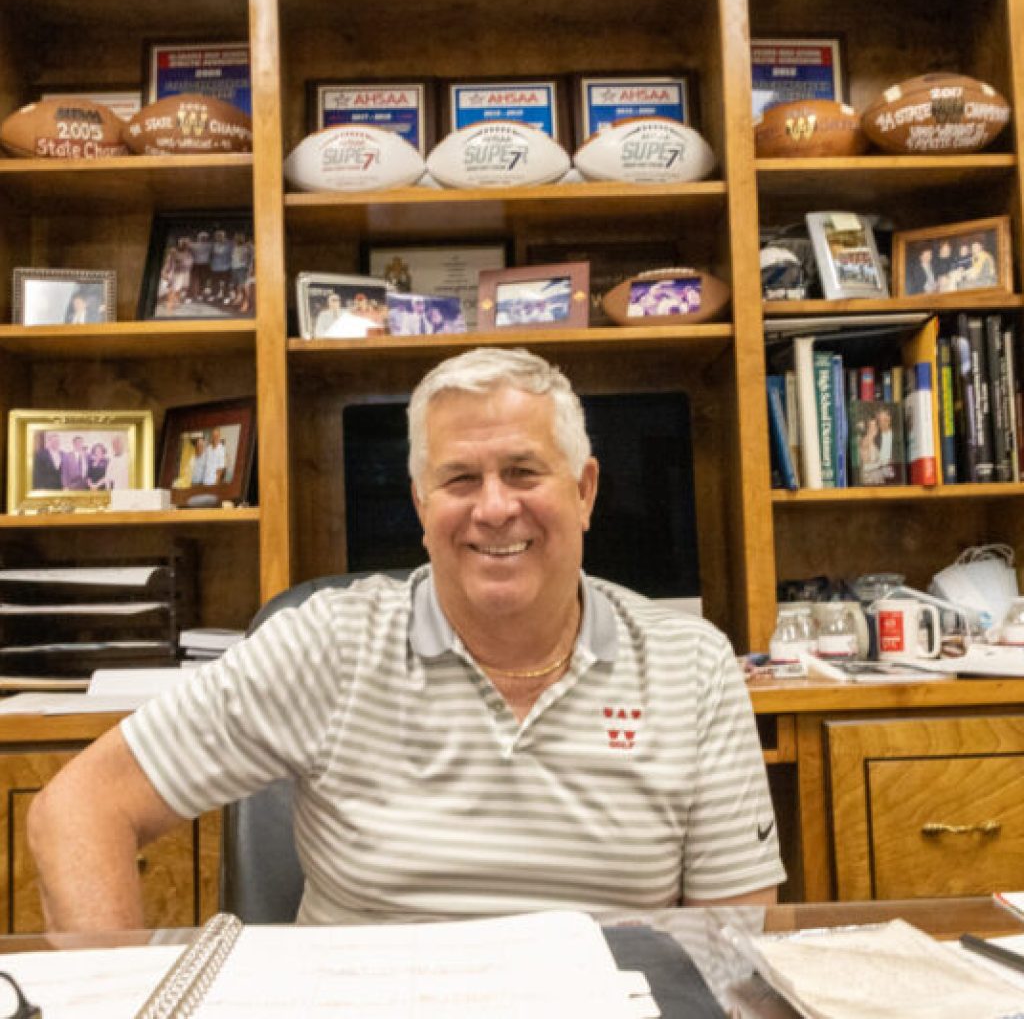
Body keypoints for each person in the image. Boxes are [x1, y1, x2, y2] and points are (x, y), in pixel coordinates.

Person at [26, 347, 784, 931]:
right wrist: (108, 998)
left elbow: (731, 942)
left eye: (523, 471)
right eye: (459, 480)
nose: (494, 509)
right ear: (422, 504)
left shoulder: (692, 662)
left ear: (584, 490)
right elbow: (79, 806)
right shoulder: (326, 645)